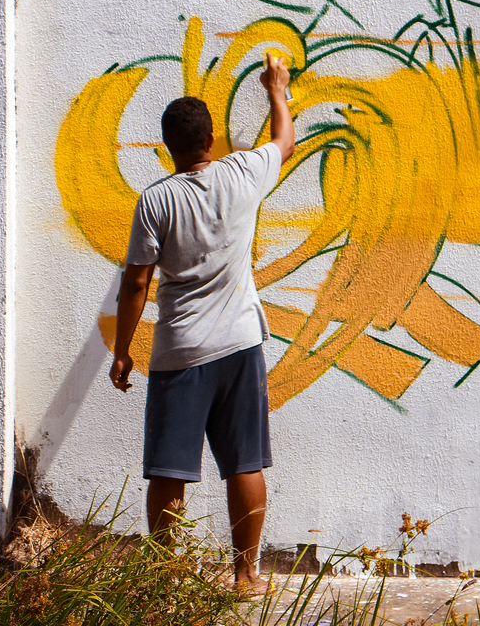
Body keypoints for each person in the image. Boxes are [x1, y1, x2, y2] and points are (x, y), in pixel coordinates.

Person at [109, 52, 295, 593]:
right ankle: (246, 575)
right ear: (212, 139)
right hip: (240, 344)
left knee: (170, 470)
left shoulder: (155, 201)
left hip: (181, 352)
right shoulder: (243, 173)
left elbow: (137, 284)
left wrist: (122, 350)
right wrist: (276, 89)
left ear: (167, 147)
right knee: (244, 464)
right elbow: (284, 142)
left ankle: (166, 581)